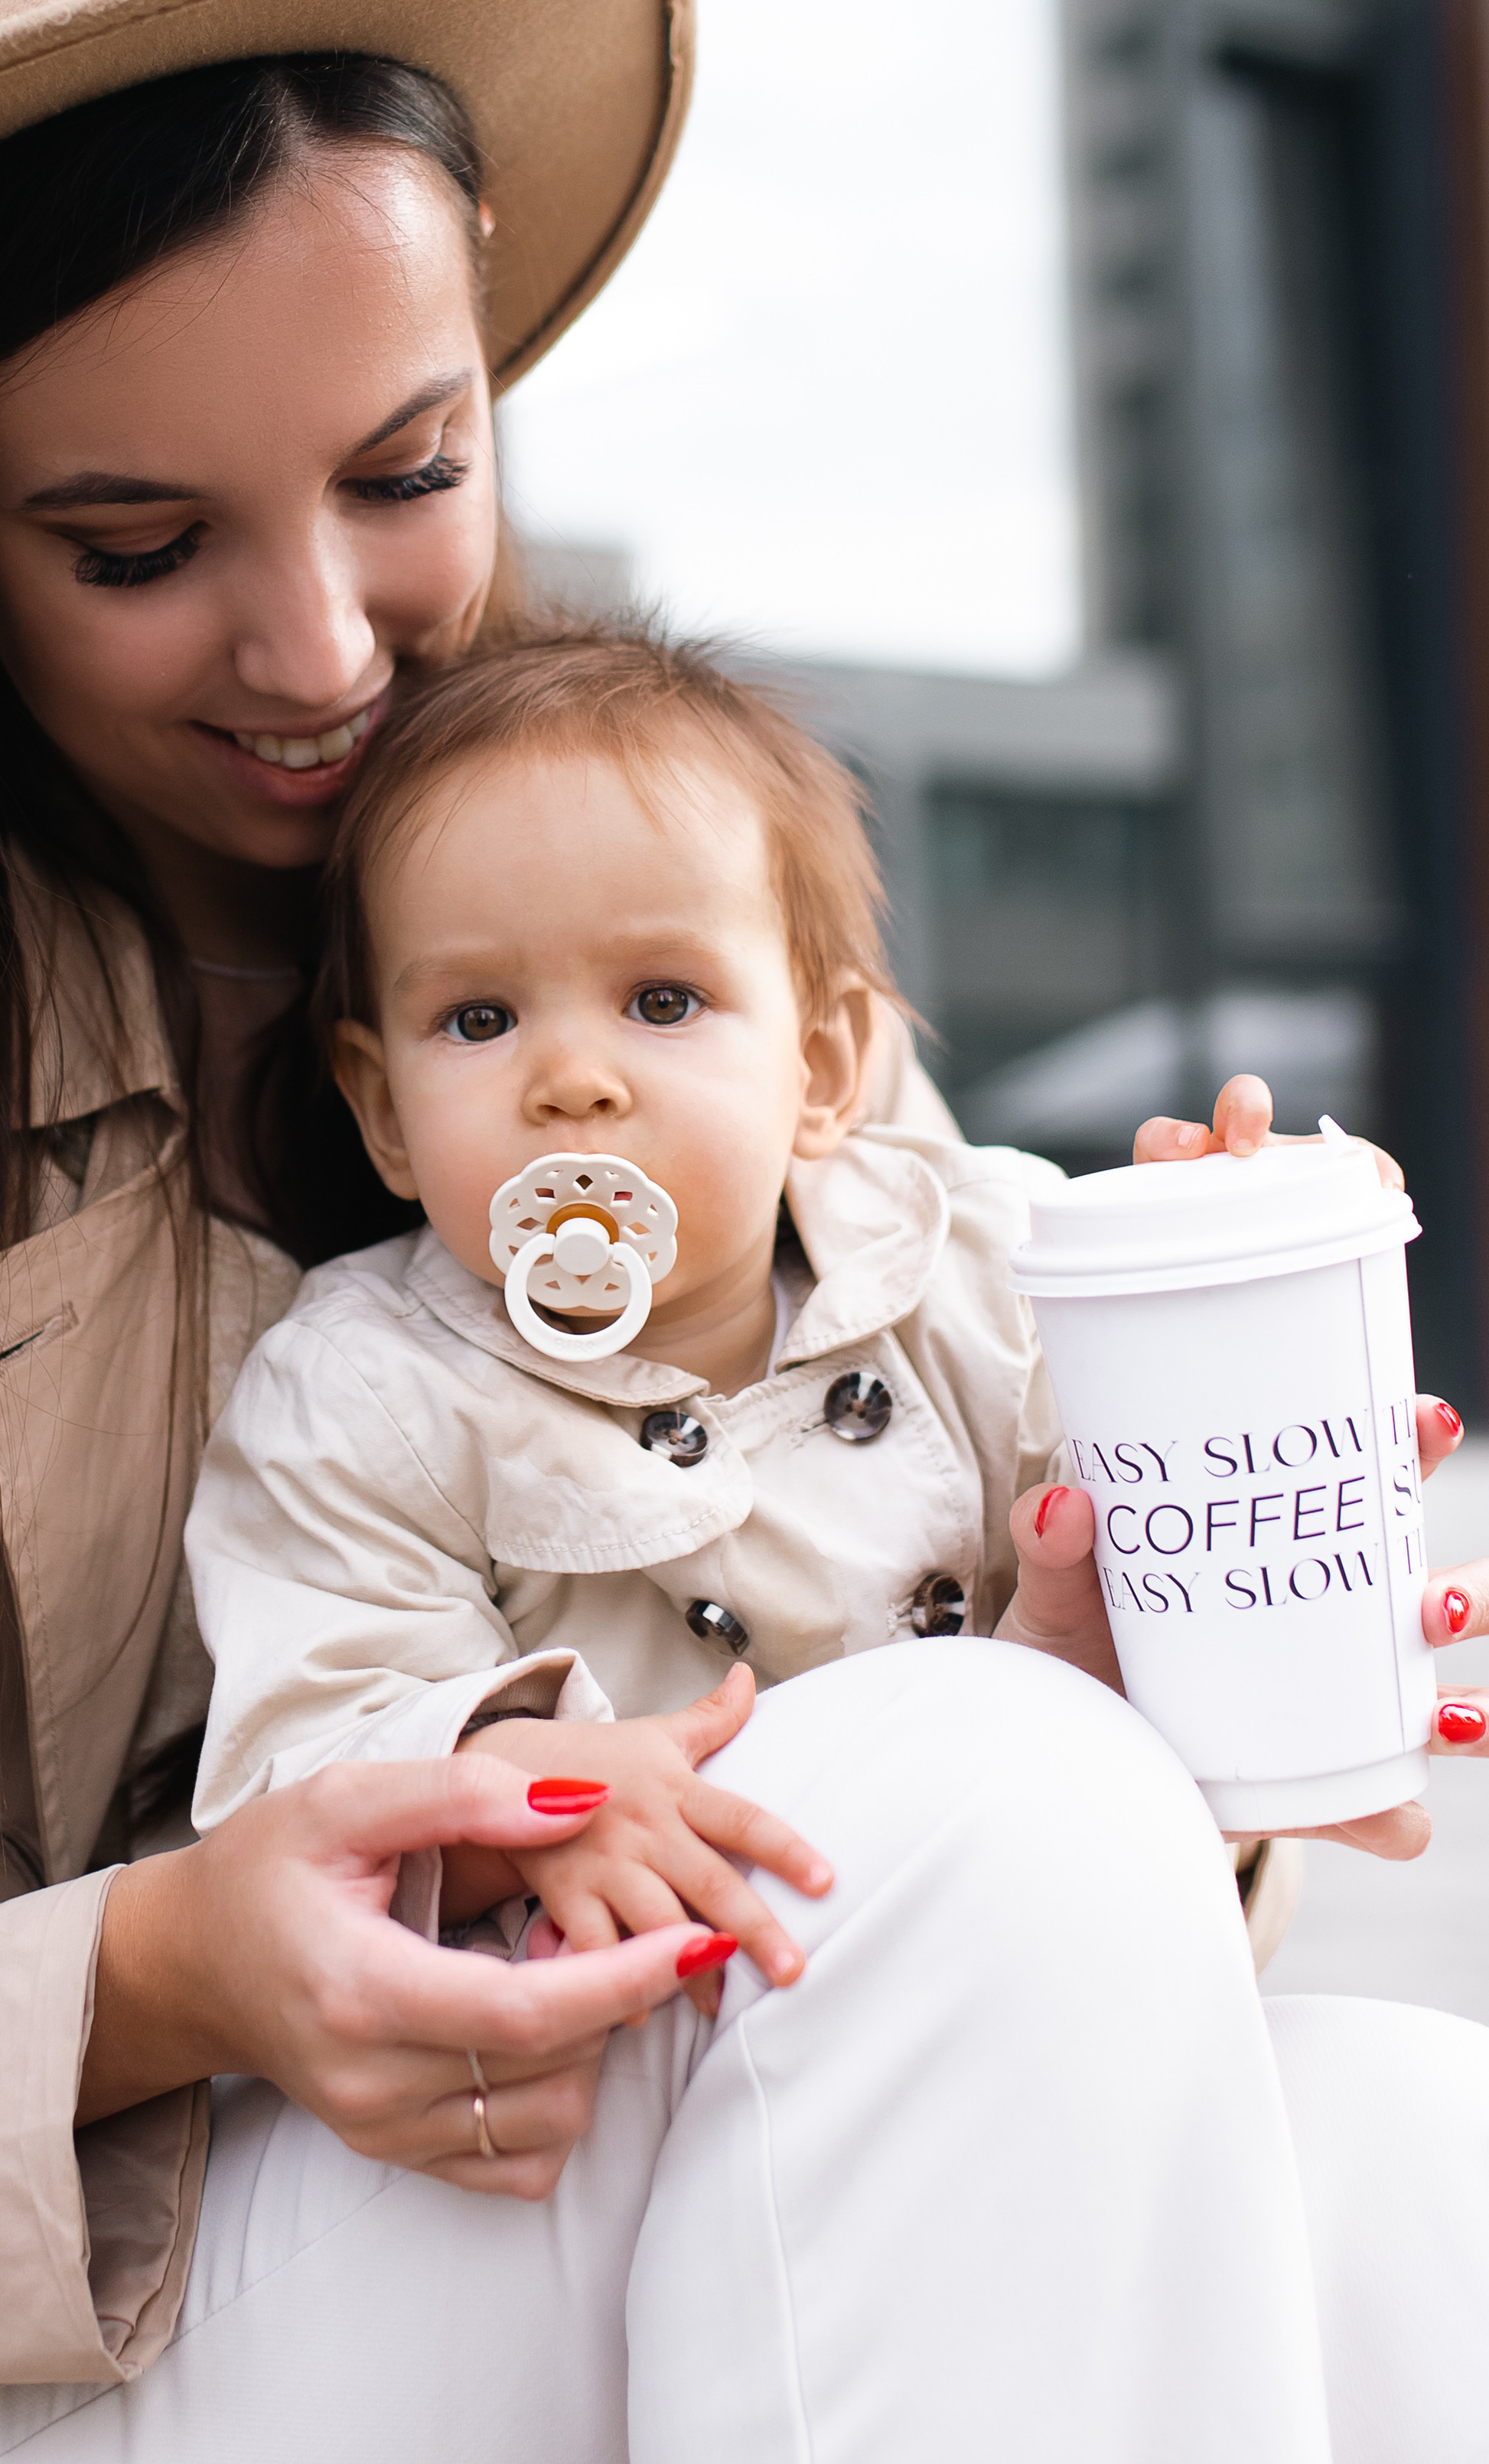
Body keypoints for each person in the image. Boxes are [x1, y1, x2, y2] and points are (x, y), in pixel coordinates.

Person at [0, 0, 1489, 2464]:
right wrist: (163, 1976)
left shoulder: (676, 897)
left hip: (491, 2235)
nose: (319, 646)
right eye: (135, 537)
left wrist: (1109, 1643)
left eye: (408, 472)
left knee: (1395, 2179)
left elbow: (999, 1906)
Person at [187, 623, 1299, 1977]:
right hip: (646, 2054)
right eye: (480, 1020)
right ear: (386, 1114)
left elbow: (1197, 1560)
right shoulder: (360, 1393)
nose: (572, 1080)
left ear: (822, 1067)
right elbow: (310, 1749)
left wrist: (1228, 1314)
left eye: (663, 998)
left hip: (1010, 1958)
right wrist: (529, 1799)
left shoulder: (989, 1268)